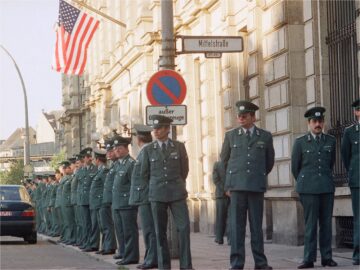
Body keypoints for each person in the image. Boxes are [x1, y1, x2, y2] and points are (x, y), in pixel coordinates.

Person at [220, 100, 274, 270]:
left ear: (253, 117)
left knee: (257, 227)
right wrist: (227, 186)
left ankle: (260, 262)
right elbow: (224, 162)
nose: (241, 118)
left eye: (244, 116)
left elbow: (269, 162)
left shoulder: (265, 136)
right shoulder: (231, 136)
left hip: (256, 187)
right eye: (239, 116)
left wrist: (258, 177)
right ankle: (236, 263)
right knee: (237, 228)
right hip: (236, 188)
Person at [141, 115, 192, 270]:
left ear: (167, 129)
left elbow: (184, 170)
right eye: (154, 129)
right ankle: (164, 266)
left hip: (177, 193)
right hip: (157, 194)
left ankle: (186, 265)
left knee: (183, 228)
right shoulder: (148, 150)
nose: (155, 132)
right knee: (159, 231)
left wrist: (177, 184)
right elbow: (145, 174)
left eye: (159, 128)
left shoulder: (178, 146)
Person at [291, 107, 337, 269]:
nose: (318, 124)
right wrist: (305, 183)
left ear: (323, 122)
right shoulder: (300, 142)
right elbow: (295, 168)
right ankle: (308, 258)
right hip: (308, 189)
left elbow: (331, 163)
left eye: (320, 121)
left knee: (326, 224)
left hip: (326, 187)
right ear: (309, 123)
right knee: (310, 224)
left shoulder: (331, 141)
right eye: (314, 122)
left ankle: (327, 258)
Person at [129, 124, 158, 270]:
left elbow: (145, 175)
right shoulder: (144, 151)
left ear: (139, 139)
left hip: (146, 196)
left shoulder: (145, 151)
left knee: (149, 230)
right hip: (144, 195)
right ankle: (150, 257)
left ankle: (152, 259)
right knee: (149, 229)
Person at [112, 135, 139, 265]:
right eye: (115, 148)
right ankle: (124, 252)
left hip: (127, 203)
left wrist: (132, 201)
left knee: (129, 231)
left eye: (119, 148)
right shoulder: (118, 164)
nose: (116, 150)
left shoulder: (131, 163)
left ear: (126, 148)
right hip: (117, 203)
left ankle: (132, 256)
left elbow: (134, 184)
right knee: (121, 231)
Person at [341, 99, 360, 266]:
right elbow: (346, 157)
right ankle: (358, 254)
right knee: (359, 218)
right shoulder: (349, 132)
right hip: (358, 181)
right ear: (356, 112)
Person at [99, 138, 117, 256]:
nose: (109, 154)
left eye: (111, 151)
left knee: (108, 225)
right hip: (106, 200)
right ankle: (106, 245)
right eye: (108, 151)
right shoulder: (112, 166)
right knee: (104, 225)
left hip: (112, 200)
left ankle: (110, 246)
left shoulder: (109, 167)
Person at [88, 148, 109, 253]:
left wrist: (104, 200)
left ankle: (109, 247)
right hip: (98, 203)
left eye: (94, 159)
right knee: (102, 226)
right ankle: (105, 246)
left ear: (98, 160)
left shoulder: (104, 170)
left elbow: (106, 186)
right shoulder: (100, 170)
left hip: (102, 202)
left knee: (106, 226)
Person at [212, 160, 229, 245]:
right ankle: (219, 238)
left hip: (231, 195)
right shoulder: (217, 164)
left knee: (231, 218)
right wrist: (226, 190)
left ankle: (231, 239)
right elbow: (215, 180)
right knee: (220, 217)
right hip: (221, 195)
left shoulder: (233, 163)